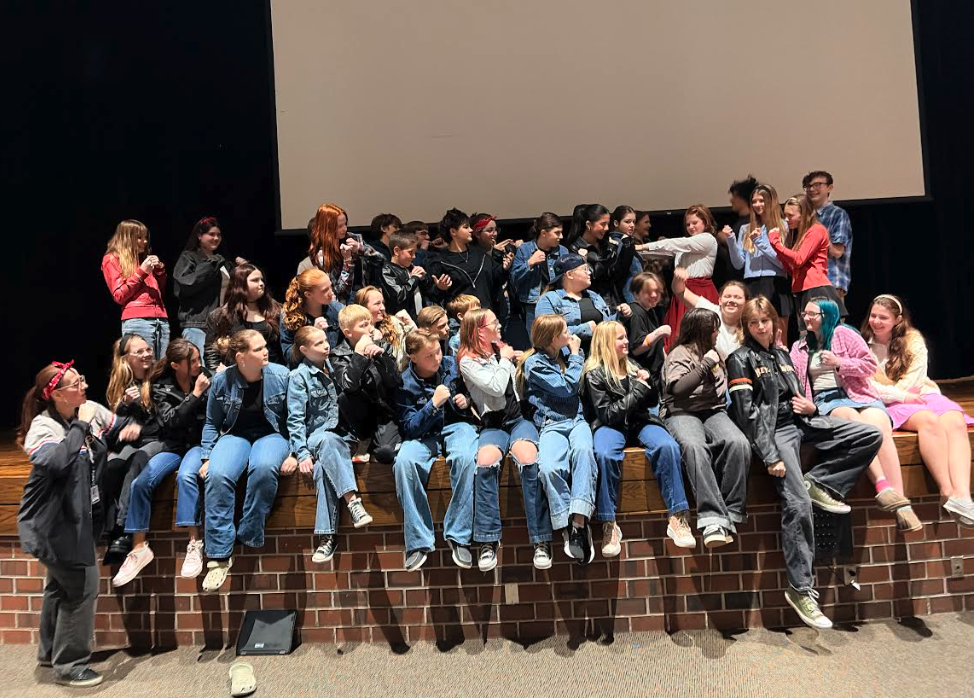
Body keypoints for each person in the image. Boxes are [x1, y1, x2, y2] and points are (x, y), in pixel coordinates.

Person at [726, 297, 882, 629]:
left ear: (774, 322)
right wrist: (769, 454)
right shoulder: (739, 359)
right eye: (754, 323)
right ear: (746, 327)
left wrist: (814, 409)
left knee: (869, 435)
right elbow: (746, 413)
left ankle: (820, 482)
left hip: (805, 422)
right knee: (797, 505)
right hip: (776, 433)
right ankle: (801, 590)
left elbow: (799, 395)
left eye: (765, 320)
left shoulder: (783, 355)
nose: (761, 327)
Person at [18, 361, 141, 687]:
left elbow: (117, 428)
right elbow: (58, 462)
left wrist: (125, 426)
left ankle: (50, 652)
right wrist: (80, 426)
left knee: (60, 587)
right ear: (57, 395)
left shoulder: (88, 410)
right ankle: (71, 665)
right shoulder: (43, 428)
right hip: (52, 525)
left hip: (79, 521)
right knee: (83, 587)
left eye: (82, 379)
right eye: (75, 384)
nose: (84, 386)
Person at [791, 299, 920, 531]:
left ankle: (901, 504)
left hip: (860, 394)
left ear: (827, 315)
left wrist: (839, 362)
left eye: (812, 314)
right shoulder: (800, 347)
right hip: (827, 399)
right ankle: (882, 485)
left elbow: (869, 366)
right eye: (804, 313)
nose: (806, 318)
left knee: (880, 427)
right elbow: (795, 378)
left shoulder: (844, 334)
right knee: (855, 423)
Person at [581, 322, 695, 555]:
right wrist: (638, 391)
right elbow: (608, 414)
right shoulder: (593, 374)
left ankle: (677, 517)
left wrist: (649, 383)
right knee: (604, 454)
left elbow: (652, 401)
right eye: (620, 338)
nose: (626, 342)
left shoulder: (632, 365)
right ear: (605, 343)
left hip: (640, 421)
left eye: (625, 336)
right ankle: (609, 523)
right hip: (610, 425)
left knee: (667, 446)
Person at [862, 294, 974, 525]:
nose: (876, 322)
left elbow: (915, 379)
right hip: (891, 403)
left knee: (955, 420)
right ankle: (947, 491)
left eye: (883, 317)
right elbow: (868, 386)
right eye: (873, 316)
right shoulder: (862, 344)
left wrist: (901, 391)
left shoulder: (912, 339)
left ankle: (962, 496)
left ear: (897, 320)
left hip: (922, 393)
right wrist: (901, 395)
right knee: (928, 421)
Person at [198, 330, 295, 592]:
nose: (266, 351)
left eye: (265, 346)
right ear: (241, 357)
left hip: (272, 433)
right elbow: (212, 423)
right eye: (258, 348)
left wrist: (295, 452)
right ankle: (218, 558)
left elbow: (296, 419)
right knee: (218, 475)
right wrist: (207, 456)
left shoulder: (281, 376)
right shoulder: (222, 380)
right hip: (235, 434)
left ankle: (249, 533)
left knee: (263, 468)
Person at [111, 339, 211, 587]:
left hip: (197, 445)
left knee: (186, 476)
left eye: (198, 359)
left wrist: (201, 390)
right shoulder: (161, 388)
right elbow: (171, 422)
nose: (198, 364)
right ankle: (139, 548)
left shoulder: (206, 379)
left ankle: (194, 542)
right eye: (193, 361)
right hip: (173, 445)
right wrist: (195, 395)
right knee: (140, 482)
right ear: (176, 365)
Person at [457, 309, 548, 571]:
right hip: (493, 424)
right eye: (493, 323)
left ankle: (541, 540)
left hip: (518, 420)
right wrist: (506, 361)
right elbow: (496, 387)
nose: (498, 325)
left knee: (529, 458)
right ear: (479, 331)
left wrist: (518, 360)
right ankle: (488, 540)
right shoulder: (467, 361)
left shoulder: (501, 350)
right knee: (485, 462)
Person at [661, 308, 751, 547]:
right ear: (701, 330)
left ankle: (731, 513)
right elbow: (677, 389)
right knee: (694, 447)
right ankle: (712, 518)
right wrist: (704, 365)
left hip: (713, 410)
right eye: (713, 329)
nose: (717, 332)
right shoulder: (679, 353)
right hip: (682, 411)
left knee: (738, 443)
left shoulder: (715, 352)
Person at [393, 330, 479, 571]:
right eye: (429, 356)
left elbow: (474, 392)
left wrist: (467, 400)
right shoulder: (403, 383)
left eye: (438, 351)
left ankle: (459, 536)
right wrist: (432, 405)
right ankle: (418, 542)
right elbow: (410, 428)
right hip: (424, 435)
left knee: (466, 457)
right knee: (404, 462)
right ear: (413, 357)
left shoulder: (453, 365)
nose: (437, 358)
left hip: (456, 426)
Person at [287, 326, 373, 563]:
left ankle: (327, 538)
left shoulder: (336, 366)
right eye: (318, 343)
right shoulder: (299, 377)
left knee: (323, 469)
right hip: (317, 436)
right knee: (326, 441)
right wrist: (301, 453)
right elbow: (295, 419)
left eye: (325, 340)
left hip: (345, 438)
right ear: (304, 350)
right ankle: (353, 502)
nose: (326, 345)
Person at [517, 314, 598, 565]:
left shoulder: (563, 352)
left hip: (577, 420)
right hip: (551, 423)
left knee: (584, 453)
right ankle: (566, 524)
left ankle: (579, 524)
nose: (569, 334)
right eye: (564, 332)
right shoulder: (534, 364)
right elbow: (566, 388)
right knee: (549, 468)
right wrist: (575, 355)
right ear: (553, 338)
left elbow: (578, 330)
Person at [101, 334, 166, 564]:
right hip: (135, 441)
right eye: (139, 352)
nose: (147, 354)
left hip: (158, 439)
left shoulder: (159, 377)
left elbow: (164, 421)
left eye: (148, 349)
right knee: (110, 467)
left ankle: (123, 530)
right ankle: (110, 530)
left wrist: (138, 418)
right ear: (125, 358)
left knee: (135, 463)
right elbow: (113, 425)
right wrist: (124, 407)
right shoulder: (120, 384)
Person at [638, 205, 720, 350]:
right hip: (682, 290)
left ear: (705, 222)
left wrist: (643, 247)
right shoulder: (687, 245)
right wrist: (636, 251)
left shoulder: (707, 239)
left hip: (699, 291)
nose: (691, 227)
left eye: (695, 223)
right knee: (678, 335)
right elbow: (663, 252)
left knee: (700, 333)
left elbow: (678, 243)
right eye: (688, 224)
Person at [330, 304, 403, 465]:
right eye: (363, 325)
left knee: (385, 453)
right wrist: (359, 354)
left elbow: (396, 382)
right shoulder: (338, 354)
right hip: (361, 416)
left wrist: (382, 358)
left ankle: (376, 443)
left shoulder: (383, 346)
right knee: (344, 396)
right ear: (348, 333)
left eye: (370, 323)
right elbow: (348, 386)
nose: (370, 329)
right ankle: (364, 438)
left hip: (385, 412)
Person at [722, 184, 792, 337]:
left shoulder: (782, 226)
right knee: (753, 332)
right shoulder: (746, 228)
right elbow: (739, 264)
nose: (757, 205)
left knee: (778, 335)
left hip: (775, 283)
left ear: (771, 201)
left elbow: (783, 262)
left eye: (761, 200)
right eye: (754, 201)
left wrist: (760, 242)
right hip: (751, 284)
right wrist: (731, 241)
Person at [173, 216, 245, 354]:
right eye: (211, 234)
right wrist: (211, 264)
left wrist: (244, 268)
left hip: (221, 325)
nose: (216, 238)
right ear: (199, 236)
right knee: (200, 365)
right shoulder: (189, 257)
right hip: (198, 325)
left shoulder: (221, 261)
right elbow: (187, 284)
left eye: (218, 235)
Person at [101, 219, 170, 357]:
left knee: (161, 367)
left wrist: (159, 271)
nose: (144, 241)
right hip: (138, 320)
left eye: (145, 237)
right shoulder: (112, 258)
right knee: (142, 365)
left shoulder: (143, 259)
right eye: (139, 237)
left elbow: (159, 292)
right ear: (126, 238)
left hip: (161, 319)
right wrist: (142, 272)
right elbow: (119, 295)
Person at [534, 253, 627, 353]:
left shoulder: (594, 296)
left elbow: (606, 324)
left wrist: (620, 315)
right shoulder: (549, 299)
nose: (589, 272)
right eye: (585, 269)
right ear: (569, 274)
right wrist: (585, 329)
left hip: (600, 356)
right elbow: (547, 332)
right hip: (568, 358)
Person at [770, 195, 846, 315]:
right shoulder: (798, 234)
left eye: (790, 215)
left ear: (804, 214)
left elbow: (799, 259)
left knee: (821, 326)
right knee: (806, 327)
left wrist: (776, 243)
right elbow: (793, 270)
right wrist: (781, 255)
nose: (786, 219)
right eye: (785, 215)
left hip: (816, 289)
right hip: (802, 289)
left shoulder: (816, 230)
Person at [203, 264, 284, 372]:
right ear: (240, 284)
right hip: (236, 375)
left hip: (272, 373)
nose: (261, 284)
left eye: (262, 280)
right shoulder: (221, 316)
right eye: (255, 280)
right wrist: (217, 369)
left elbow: (285, 345)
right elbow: (211, 351)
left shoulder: (276, 310)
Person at [430, 208, 508, 312]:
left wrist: (505, 268)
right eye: (466, 227)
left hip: (484, 313)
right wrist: (440, 288)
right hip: (459, 317)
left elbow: (497, 280)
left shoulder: (480, 254)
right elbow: (432, 296)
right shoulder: (440, 261)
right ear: (453, 231)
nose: (471, 230)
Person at [565, 203, 637, 309]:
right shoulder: (574, 249)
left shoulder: (607, 245)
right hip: (591, 305)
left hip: (613, 302)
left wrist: (627, 249)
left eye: (608, 224)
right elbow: (590, 280)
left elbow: (618, 274)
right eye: (603, 224)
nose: (607, 228)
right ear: (588, 224)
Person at [510, 212, 569, 333]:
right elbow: (514, 278)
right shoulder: (525, 250)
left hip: (558, 303)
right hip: (533, 305)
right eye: (557, 233)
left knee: (559, 336)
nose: (561, 236)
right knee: (537, 339)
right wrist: (530, 263)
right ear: (543, 233)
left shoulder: (563, 251)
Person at [298, 203, 368, 304]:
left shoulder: (351, 241)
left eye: (345, 224)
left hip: (360, 299)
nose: (345, 229)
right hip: (337, 306)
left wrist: (360, 249)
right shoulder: (315, 260)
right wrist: (347, 261)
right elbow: (340, 291)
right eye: (339, 226)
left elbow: (380, 260)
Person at [671, 270, 748, 360]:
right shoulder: (711, 311)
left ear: (746, 302)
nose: (731, 300)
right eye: (727, 296)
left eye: (737, 297)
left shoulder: (751, 320)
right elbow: (680, 292)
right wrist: (678, 278)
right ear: (719, 300)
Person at [803, 171, 852, 299]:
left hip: (830, 282)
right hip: (807, 283)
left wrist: (818, 229)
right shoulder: (803, 216)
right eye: (808, 186)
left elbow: (837, 252)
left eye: (817, 185)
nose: (811, 189)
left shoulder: (838, 214)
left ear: (829, 188)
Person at [280, 269, 344, 365]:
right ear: (308, 294)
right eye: (325, 290)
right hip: (307, 370)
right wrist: (311, 336)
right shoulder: (290, 316)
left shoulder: (337, 309)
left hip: (335, 366)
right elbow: (289, 356)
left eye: (330, 286)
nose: (331, 292)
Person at [354, 286, 418, 371]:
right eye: (377, 303)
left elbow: (417, 346)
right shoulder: (356, 332)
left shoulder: (393, 323)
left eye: (383, 303)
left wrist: (411, 324)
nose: (383, 308)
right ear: (363, 307)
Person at [378, 230, 435, 319]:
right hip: (401, 319)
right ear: (397, 251)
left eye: (415, 252)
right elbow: (399, 296)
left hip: (419, 317)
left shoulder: (411, 267)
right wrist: (414, 278)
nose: (414, 256)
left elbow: (429, 293)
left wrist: (423, 279)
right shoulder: (387, 270)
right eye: (410, 252)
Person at [624, 271, 671, 378]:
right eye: (648, 292)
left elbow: (658, 345)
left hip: (655, 374)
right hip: (643, 374)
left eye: (657, 291)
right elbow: (636, 349)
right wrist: (659, 332)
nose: (654, 295)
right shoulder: (636, 312)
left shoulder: (651, 310)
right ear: (636, 294)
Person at [714, 175, 758, 287]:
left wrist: (726, 238)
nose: (731, 200)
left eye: (734, 196)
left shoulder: (752, 223)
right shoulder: (739, 223)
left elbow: (746, 251)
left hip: (746, 282)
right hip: (735, 279)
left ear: (742, 197)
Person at [610, 205, 646, 304]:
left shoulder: (628, 242)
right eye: (627, 222)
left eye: (634, 221)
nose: (632, 225)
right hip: (628, 298)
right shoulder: (615, 243)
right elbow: (620, 273)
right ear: (616, 223)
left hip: (636, 295)